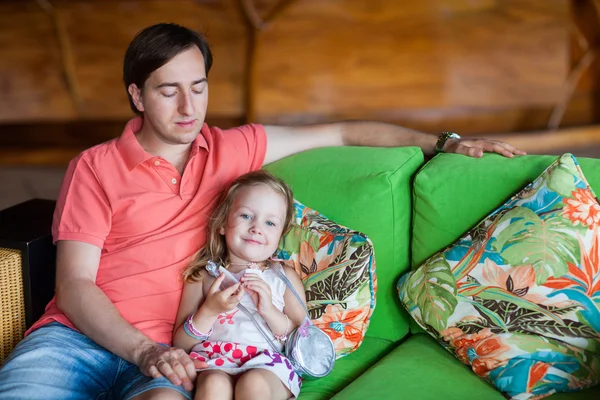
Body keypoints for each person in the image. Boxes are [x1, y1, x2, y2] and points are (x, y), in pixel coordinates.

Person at [0, 22, 525, 400]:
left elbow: (343, 131)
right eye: (168, 91)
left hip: (179, 352)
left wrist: (444, 142)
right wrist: (142, 350)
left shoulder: (231, 148)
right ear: (137, 95)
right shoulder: (94, 167)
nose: (189, 108)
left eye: (198, 88)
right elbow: (75, 285)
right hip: (77, 341)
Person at [173, 170, 305, 400]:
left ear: (280, 235)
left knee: (253, 384)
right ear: (223, 223)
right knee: (213, 385)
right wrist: (209, 311)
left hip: (268, 365)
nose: (256, 227)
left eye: (270, 222)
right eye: (246, 216)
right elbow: (181, 343)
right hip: (214, 362)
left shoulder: (283, 276)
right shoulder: (203, 276)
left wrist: (269, 311)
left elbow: (302, 335)